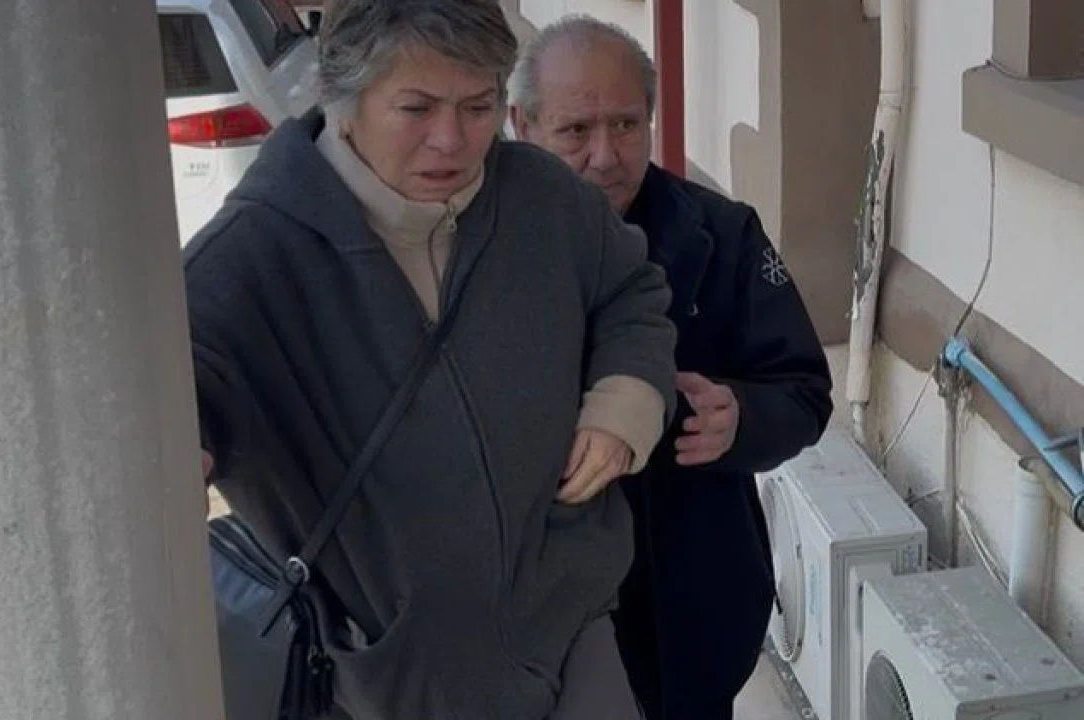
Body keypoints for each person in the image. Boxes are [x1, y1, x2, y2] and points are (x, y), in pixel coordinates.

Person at [183, 1, 680, 718]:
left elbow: (631, 291)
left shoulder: (544, 196)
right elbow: (172, 399)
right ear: (344, 101)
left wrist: (625, 401)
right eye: (416, 108)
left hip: (571, 629)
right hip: (388, 681)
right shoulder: (246, 258)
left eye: (478, 107)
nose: (452, 141)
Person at [511, 16, 834, 720]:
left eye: (626, 125)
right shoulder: (479, 244)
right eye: (576, 130)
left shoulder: (722, 234)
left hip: (689, 617)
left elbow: (805, 392)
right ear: (523, 125)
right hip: (534, 624)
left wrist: (741, 417)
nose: (605, 155)